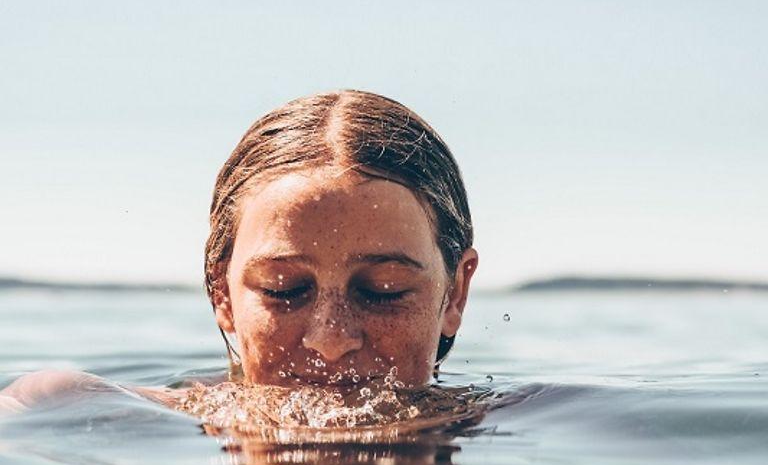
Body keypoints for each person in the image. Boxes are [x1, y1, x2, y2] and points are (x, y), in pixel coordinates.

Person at [0, 90, 478, 415]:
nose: (330, 340)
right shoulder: (83, 411)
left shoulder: (525, 423)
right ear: (221, 294)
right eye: (284, 289)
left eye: (382, 290)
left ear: (454, 295)